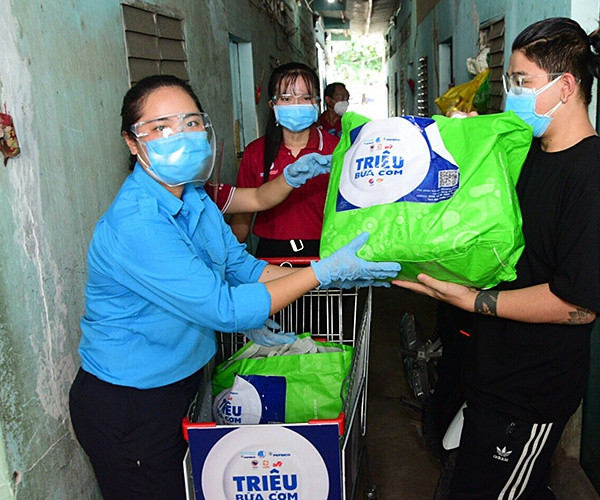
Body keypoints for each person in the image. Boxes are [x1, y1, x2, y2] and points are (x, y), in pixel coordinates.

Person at [68, 74, 400, 499]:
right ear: (133, 143)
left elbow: (246, 268)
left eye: (190, 122)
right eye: (161, 127)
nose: (181, 136)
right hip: (131, 402)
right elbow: (224, 308)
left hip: (183, 380)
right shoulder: (136, 223)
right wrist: (324, 273)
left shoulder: (194, 199)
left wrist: (336, 270)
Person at [394, 18, 600, 499]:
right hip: (489, 372)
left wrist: (475, 301)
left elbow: (578, 304)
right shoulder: (530, 152)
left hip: (531, 391)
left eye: (522, 83)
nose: (510, 95)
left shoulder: (596, 178)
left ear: (566, 86)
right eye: (509, 82)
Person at [231, 62, 337, 257]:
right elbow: (242, 217)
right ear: (273, 105)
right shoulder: (256, 152)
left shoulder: (337, 149)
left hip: (326, 252)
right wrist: (222, 257)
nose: (296, 105)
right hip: (271, 256)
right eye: (286, 98)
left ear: (317, 102)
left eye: (306, 97)